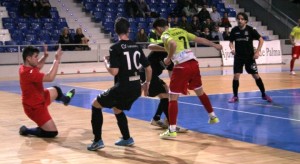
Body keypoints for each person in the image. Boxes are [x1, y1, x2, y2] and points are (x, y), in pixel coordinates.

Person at [87, 17, 152, 151]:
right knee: (117, 108)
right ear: (128, 30)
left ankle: (97, 140)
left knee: (95, 104)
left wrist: (106, 62)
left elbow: (114, 72)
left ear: (115, 31)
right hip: (136, 88)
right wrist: (147, 83)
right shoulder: (137, 46)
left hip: (123, 87)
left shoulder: (115, 48)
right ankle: (127, 138)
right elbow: (148, 68)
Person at [152, 18, 222, 139]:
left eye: (156, 31)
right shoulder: (180, 30)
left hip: (181, 65)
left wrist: (168, 58)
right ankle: (212, 116)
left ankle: (172, 130)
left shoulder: (165, 34)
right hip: (193, 63)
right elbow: (199, 39)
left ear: (158, 28)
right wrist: (214, 45)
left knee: (173, 97)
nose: (157, 34)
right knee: (200, 91)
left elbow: (173, 44)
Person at [19, 45, 75, 138]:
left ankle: (65, 99)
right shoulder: (28, 73)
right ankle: (27, 130)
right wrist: (57, 60)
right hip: (34, 108)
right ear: (28, 58)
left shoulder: (25, 67)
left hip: (41, 97)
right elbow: (50, 77)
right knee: (52, 133)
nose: (37, 59)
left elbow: (38, 66)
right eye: (36, 57)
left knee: (56, 90)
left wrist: (45, 56)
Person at [228, 12, 272, 103]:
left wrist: (257, 51)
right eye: (238, 19)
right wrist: (232, 49)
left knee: (256, 76)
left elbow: (261, 40)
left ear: (246, 21)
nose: (239, 20)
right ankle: (235, 96)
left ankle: (264, 94)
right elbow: (231, 42)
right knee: (236, 76)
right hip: (238, 57)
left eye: (242, 19)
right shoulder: (234, 30)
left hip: (249, 58)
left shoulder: (251, 30)